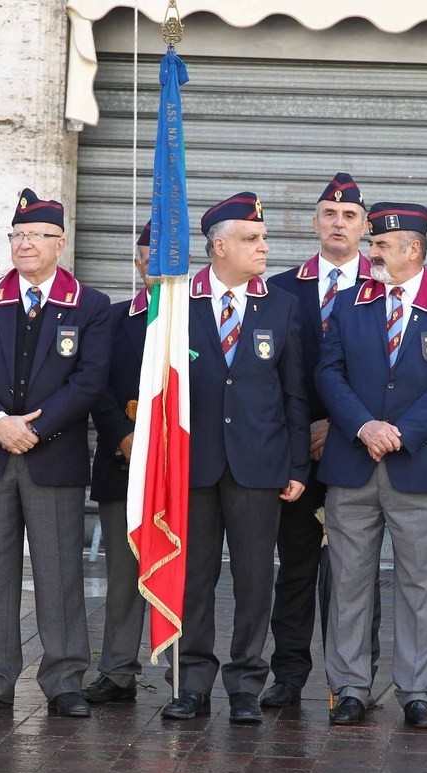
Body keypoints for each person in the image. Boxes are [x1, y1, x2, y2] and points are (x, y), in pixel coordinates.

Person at [0, 189, 111, 715]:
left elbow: (89, 383)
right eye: (17, 235)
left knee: (60, 570)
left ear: (60, 243)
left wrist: (33, 430)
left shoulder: (90, 304)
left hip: (52, 456)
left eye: (37, 235)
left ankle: (64, 680)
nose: (25, 244)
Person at [317, 202, 427, 728]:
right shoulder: (348, 303)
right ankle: (349, 687)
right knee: (348, 581)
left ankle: (415, 689)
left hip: (417, 465)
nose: (371, 252)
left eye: (381, 246)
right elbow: (329, 373)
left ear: (413, 249)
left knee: (416, 581)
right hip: (353, 461)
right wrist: (365, 426)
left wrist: (401, 432)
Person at [161, 192, 308, 725]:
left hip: (258, 465)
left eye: (263, 238)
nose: (263, 247)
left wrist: (296, 467)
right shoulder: (179, 300)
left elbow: (294, 393)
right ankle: (191, 682)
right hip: (193, 465)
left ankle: (246, 683)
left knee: (254, 580)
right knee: (193, 578)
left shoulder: (280, 305)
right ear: (218, 246)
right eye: (252, 239)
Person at [262, 172, 382, 709]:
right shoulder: (281, 287)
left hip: (358, 447)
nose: (339, 224)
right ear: (315, 223)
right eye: (329, 215)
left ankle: (352, 680)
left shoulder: (384, 288)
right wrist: (301, 432)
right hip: (296, 452)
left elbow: (391, 373)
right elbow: (269, 375)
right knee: (295, 566)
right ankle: (288, 674)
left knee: (355, 572)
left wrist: (341, 425)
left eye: (350, 216)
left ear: (365, 228)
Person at [83, 223, 151, 705]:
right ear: (137, 262)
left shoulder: (202, 316)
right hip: (123, 461)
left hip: (187, 469)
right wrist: (122, 436)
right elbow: (96, 384)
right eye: (148, 256)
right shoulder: (113, 317)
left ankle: (185, 674)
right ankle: (119, 669)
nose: (156, 265)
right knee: (124, 574)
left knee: (186, 574)